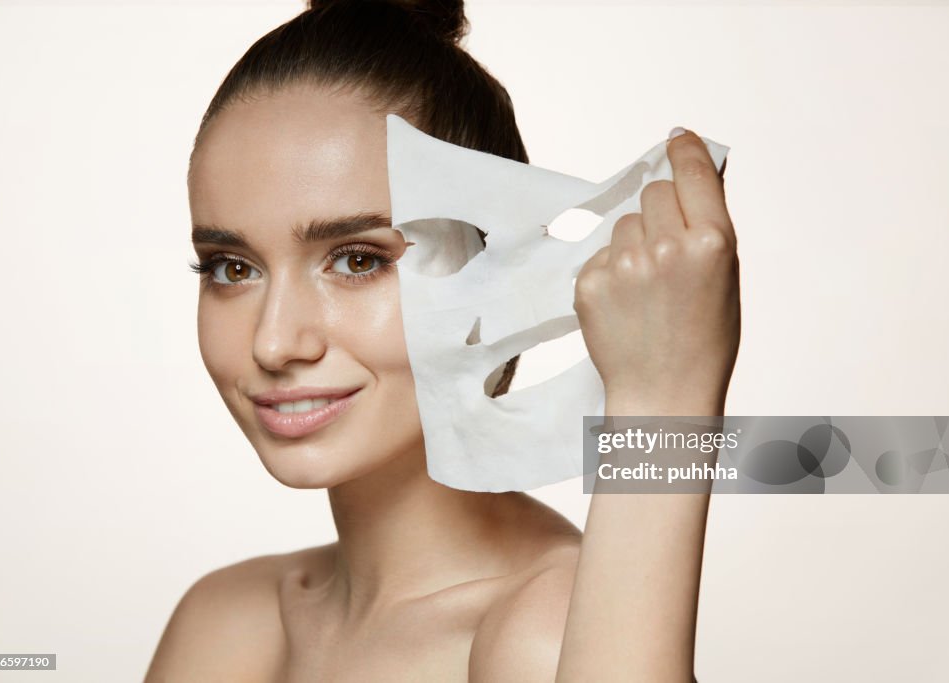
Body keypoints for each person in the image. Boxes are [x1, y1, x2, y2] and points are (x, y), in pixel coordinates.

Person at [145, 0, 740, 680]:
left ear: (493, 268)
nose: (274, 343)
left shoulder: (550, 632)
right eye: (234, 269)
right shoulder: (224, 621)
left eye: (359, 259)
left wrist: (665, 400)